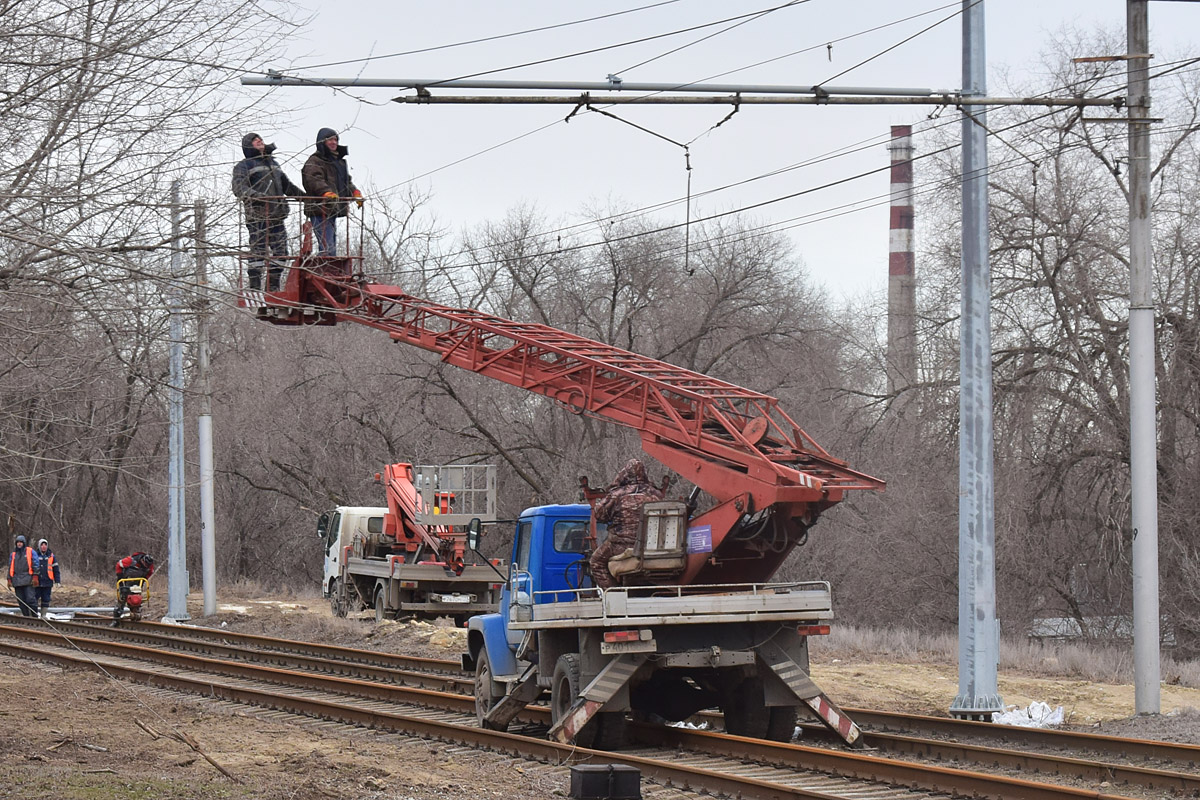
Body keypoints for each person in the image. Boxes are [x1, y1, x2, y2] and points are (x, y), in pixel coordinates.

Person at [231, 132, 304, 291]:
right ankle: (255, 288)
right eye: (255, 141)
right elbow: (239, 188)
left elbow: (287, 186)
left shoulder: (274, 164)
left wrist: (306, 198)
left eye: (260, 139)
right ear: (248, 146)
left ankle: (273, 287)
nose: (259, 141)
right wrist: (258, 197)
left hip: (277, 215)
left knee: (281, 253)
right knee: (258, 253)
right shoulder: (244, 166)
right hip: (257, 216)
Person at [588, 459, 664, 590]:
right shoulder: (656, 494)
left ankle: (614, 594)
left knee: (596, 562)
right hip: (650, 546)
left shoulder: (617, 494)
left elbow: (599, 515)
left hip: (620, 545)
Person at [301, 127, 362, 255]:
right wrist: (326, 192)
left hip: (332, 209)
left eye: (335, 139)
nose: (333, 142)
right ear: (322, 142)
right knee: (327, 248)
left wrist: (354, 192)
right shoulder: (314, 161)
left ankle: (327, 270)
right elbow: (314, 180)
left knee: (330, 247)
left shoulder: (338, 162)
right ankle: (324, 271)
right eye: (330, 139)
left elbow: (346, 181)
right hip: (319, 209)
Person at [113, 552, 155, 623]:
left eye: (147, 565)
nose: (146, 566)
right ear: (142, 560)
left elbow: (150, 572)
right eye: (145, 564)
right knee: (123, 597)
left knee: (137, 598)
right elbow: (119, 564)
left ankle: (135, 612)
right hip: (126, 580)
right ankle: (117, 616)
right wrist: (120, 576)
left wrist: (145, 579)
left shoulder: (150, 566)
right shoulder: (130, 560)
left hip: (139, 581)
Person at [7, 535, 40, 617]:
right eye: (18, 542)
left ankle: (34, 616)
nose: (19, 544)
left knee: (30, 600)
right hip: (17, 580)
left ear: (24, 543)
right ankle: (26, 617)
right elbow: (10, 567)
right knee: (21, 601)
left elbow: (36, 564)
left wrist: (35, 576)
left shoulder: (30, 551)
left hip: (28, 580)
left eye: (21, 542)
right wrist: (9, 579)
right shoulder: (13, 554)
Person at [33, 538, 61, 617]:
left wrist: (57, 581)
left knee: (46, 599)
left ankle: (43, 615)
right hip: (37, 582)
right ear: (39, 546)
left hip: (48, 582)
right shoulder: (35, 555)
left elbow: (56, 569)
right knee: (34, 598)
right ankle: (33, 615)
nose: (44, 546)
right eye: (42, 545)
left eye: (45, 545)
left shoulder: (51, 556)